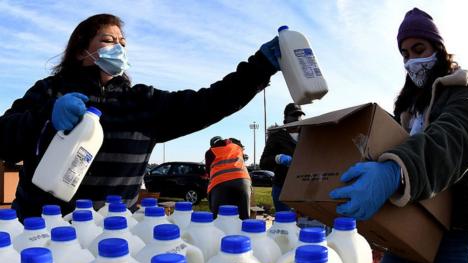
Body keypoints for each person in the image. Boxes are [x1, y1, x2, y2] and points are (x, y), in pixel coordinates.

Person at [0, 14, 282, 220]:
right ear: (80, 51)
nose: (118, 48)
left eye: (122, 42)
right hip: (41, 230)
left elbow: (209, 102)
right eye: (108, 40)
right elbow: (4, 141)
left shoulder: (142, 102)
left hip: (116, 233)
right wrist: (46, 117)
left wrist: (259, 68)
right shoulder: (49, 91)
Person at [329, 7, 468, 263]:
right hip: (412, 213)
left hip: (456, 224)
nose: (411, 61)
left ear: (438, 49)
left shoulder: (462, 91)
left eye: (419, 50)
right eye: (405, 54)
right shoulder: (407, 105)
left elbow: (452, 138)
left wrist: (394, 171)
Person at [260, 103, 304, 212]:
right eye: (294, 115)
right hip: (282, 186)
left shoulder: (307, 134)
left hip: (303, 185)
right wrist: (277, 158)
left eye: (300, 115)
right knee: (285, 221)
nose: (297, 118)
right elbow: (263, 163)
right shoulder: (277, 136)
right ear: (285, 118)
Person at [205, 136, 251, 219]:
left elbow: (208, 172)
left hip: (220, 183)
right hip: (243, 182)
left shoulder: (210, 152)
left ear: (212, 145)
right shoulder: (236, 147)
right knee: (244, 218)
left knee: (218, 219)